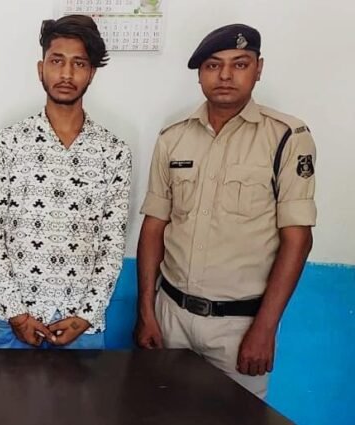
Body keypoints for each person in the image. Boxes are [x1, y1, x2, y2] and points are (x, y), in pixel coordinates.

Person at [133, 23, 316, 398]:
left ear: (258, 69)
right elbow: (154, 227)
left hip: (240, 327)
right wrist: (147, 311)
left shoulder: (287, 137)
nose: (226, 75)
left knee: (236, 418)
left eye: (240, 64)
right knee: (161, 413)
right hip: (171, 317)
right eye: (214, 65)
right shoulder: (173, 137)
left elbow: (298, 239)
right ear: (200, 74)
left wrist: (265, 329)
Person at [0, 15, 132, 350]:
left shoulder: (113, 152)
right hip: (9, 324)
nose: (66, 74)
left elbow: (113, 242)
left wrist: (86, 315)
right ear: (41, 68)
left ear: (91, 73)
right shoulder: (7, 143)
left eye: (79, 63)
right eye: (57, 61)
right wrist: (18, 314)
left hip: (82, 327)